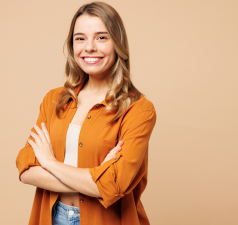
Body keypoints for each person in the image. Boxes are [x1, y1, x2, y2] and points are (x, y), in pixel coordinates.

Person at [16, 2, 157, 225]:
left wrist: (50, 163)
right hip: (53, 217)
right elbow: (26, 169)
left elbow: (115, 185)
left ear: (117, 43)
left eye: (101, 37)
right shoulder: (53, 100)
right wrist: (97, 178)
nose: (89, 47)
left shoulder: (138, 109)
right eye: (80, 38)